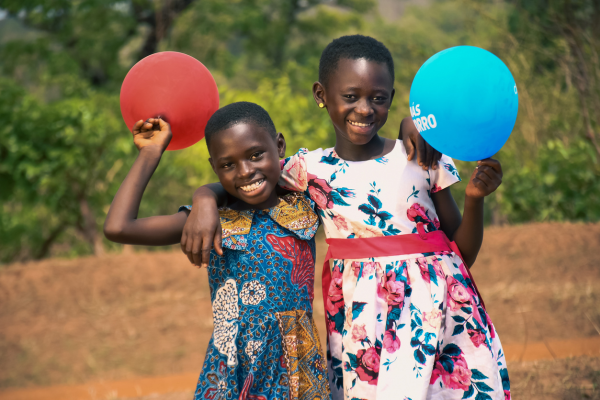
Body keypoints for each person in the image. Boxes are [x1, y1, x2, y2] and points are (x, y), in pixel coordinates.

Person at [181, 35, 511, 399]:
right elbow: (245, 176)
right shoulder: (309, 169)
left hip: (441, 312)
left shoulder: (422, 156)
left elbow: (462, 255)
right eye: (351, 97)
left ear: (392, 96)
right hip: (362, 320)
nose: (365, 109)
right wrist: (203, 199)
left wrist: (475, 198)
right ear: (321, 95)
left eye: (378, 98)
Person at [103, 102, 331, 400]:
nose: (245, 171)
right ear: (215, 167)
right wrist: (151, 153)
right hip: (235, 368)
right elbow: (119, 227)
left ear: (279, 145)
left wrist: (410, 129)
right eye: (228, 165)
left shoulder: (304, 200)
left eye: (255, 155)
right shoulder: (210, 221)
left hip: (300, 366)